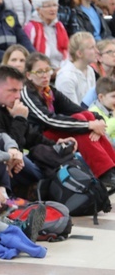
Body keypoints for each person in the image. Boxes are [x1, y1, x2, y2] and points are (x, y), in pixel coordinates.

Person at [21, 52, 115, 187]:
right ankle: (104, 173)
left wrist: (98, 120)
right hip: (38, 140)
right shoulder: (27, 93)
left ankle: (111, 168)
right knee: (81, 123)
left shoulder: (49, 90)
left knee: (86, 116)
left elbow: (76, 108)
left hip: (52, 132)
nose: (45, 75)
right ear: (29, 75)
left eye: (47, 70)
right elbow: (48, 119)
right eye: (39, 71)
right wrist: (88, 125)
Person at [23, 0, 69, 69]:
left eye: (55, 5)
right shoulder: (31, 27)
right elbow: (28, 54)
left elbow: (66, 49)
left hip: (61, 67)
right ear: (38, 9)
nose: (52, 9)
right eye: (48, 6)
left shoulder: (59, 26)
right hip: (40, 69)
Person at [55, 31, 98, 105]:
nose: (97, 51)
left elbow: (94, 101)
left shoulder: (90, 70)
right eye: (92, 48)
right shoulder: (66, 77)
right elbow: (72, 110)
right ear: (79, 53)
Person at [89, 77, 115, 144]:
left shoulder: (111, 107)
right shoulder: (93, 112)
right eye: (113, 96)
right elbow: (103, 133)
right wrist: (114, 119)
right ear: (101, 97)